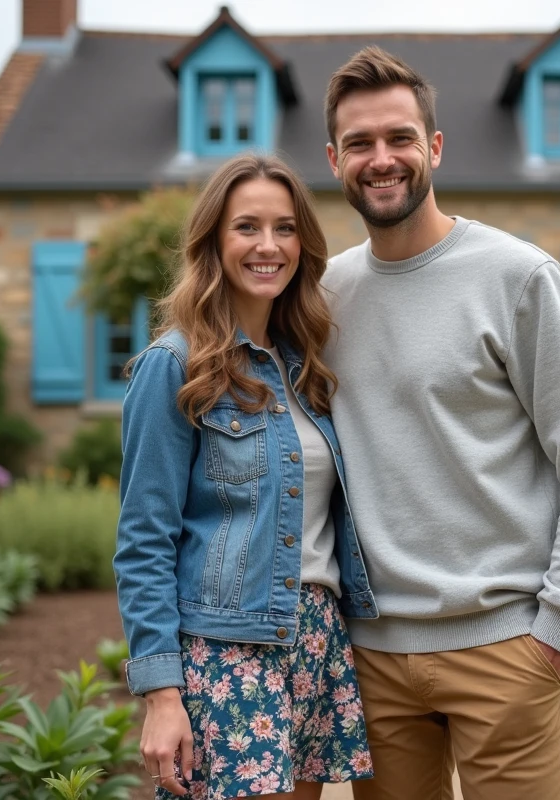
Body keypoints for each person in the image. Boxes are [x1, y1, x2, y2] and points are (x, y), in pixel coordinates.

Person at [320, 47, 560, 799]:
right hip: (373, 659)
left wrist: (554, 634)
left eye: (399, 137)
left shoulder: (517, 277)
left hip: (503, 649)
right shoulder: (324, 295)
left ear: (433, 147)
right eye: (360, 143)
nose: (381, 158)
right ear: (334, 159)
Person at [114, 153, 378, 800]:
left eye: (285, 228)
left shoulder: (303, 367)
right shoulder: (173, 367)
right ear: (214, 242)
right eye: (247, 227)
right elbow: (144, 541)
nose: (269, 245)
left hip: (316, 638)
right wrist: (160, 694)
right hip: (229, 651)